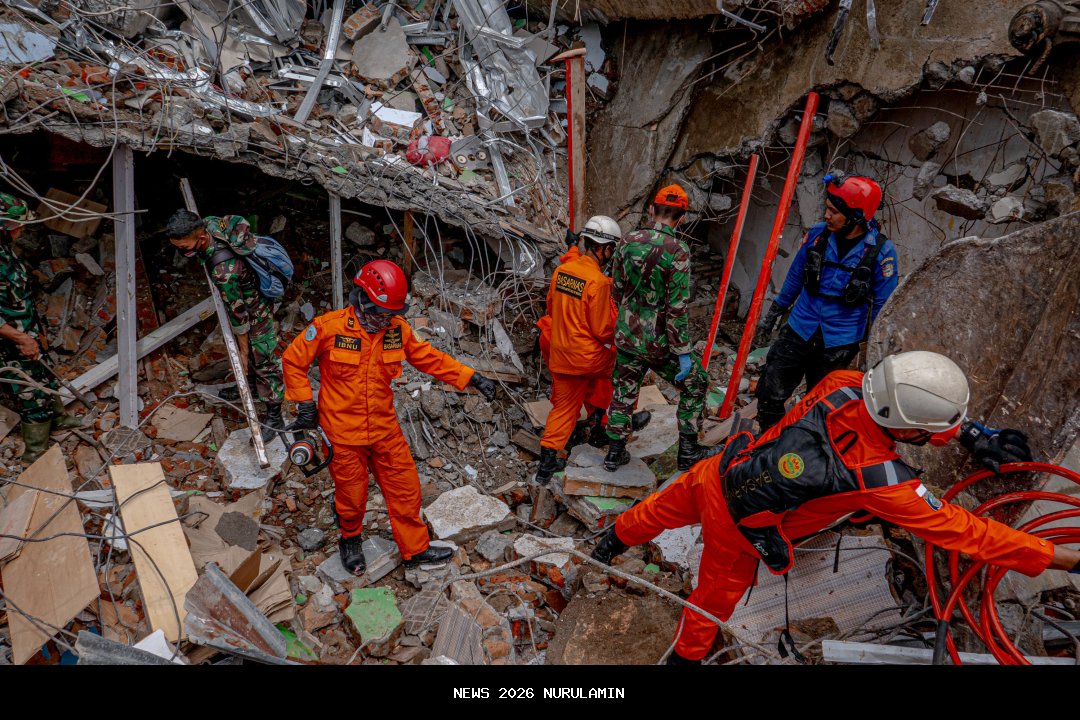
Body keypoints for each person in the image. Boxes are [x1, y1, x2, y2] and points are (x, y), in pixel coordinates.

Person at [590, 350, 1078, 664]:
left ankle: (607, 544)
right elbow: (967, 532)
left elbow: (891, 409)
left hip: (721, 473)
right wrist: (1053, 556)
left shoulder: (842, 384)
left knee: (655, 510)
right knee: (712, 600)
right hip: (741, 530)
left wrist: (964, 430)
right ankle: (685, 660)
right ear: (911, 431)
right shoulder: (882, 482)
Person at [282, 259, 499, 575]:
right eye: (385, 314)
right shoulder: (330, 328)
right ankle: (351, 540)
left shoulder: (397, 331)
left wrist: (471, 377)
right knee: (352, 497)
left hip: (384, 429)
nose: (389, 321)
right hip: (342, 435)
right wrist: (304, 403)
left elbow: (430, 359)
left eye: (394, 315)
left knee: (406, 490)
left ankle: (416, 550)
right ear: (365, 301)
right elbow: (292, 361)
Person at [754, 173, 898, 432]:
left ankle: (801, 447)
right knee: (769, 392)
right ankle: (767, 441)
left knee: (820, 403)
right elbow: (796, 275)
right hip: (800, 328)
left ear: (855, 215)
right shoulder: (818, 236)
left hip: (839, 341)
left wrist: (873, 353)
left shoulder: (881, 252)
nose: (827, 216)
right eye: (827, 209)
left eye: (834, 211)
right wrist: (774, 313)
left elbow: (883, 307)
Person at [603, 184, 713, 473]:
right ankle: (689, 453)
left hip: (627, 335)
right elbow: (676, 309)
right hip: (659, 343)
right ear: (682, 218)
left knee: (623, 389)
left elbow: (615, 291)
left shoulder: (627, 241)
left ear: (651, 210)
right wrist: (684, 353)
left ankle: (614, 453)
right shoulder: (678, 251)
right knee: (696, 383)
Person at [534, 215, 651, 484]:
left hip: (560, 355)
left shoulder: (562, 272)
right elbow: (603, 330)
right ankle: (616, 425)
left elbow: (551, 308)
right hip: (587, 358)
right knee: (626, 367)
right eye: (611, 251)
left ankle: (545, 468)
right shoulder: (598, 282)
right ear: (605, 248)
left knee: (563, 409)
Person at [165, 210, 285, 441]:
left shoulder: (223, 270)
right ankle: (249, 385)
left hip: (255, 306)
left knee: (263, 356)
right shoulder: (209, 224)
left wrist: (243, 350)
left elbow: (238, 314)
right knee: (251, 355)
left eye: (184, 247)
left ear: (201, 239)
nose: (181, 251)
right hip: (241, 293)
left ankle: (274, 415)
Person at [0, 192, 84, 464]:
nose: (21, 230)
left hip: (25, 327)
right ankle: (35, 454)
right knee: (31, 391)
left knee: (44, 371)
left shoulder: (3, 248)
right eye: (16, 225)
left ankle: (58, 419)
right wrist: (20, 338)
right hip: (9, 339)